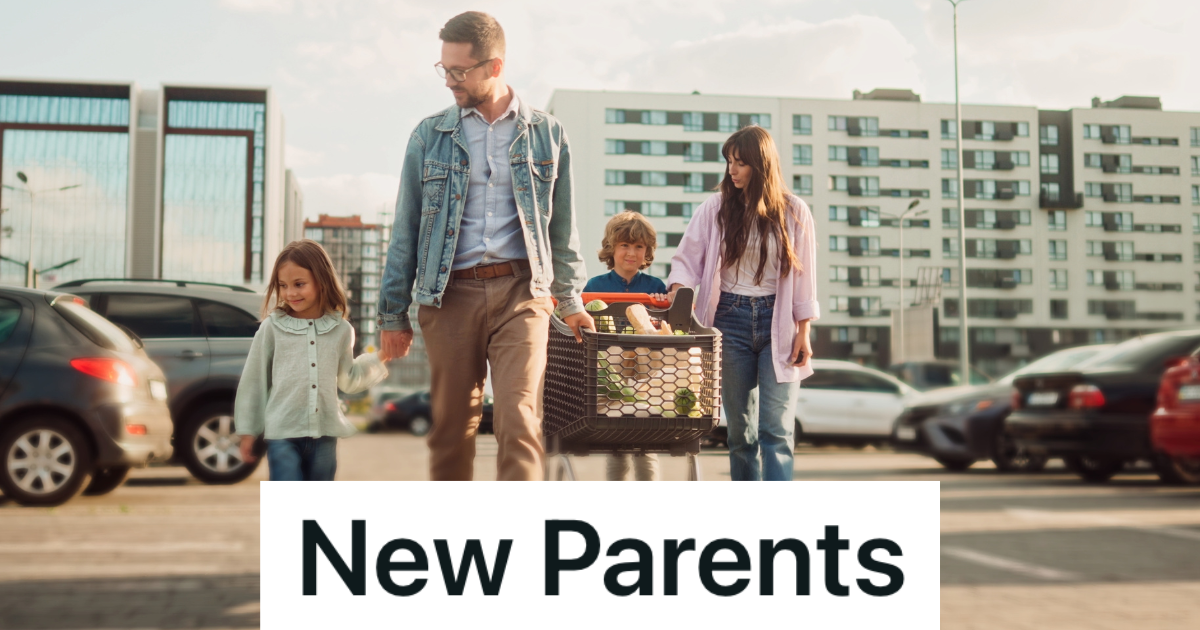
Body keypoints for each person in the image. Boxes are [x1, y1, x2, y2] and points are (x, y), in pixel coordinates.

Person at [376, 11, 592, 481]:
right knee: (453, 428)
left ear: (494, 67)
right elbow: (406, 230)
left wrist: (571, 299)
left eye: (459, 71)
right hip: (450, 295)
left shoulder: (547, 134)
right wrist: (392, 314)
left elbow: (564, 229)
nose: (449, 81)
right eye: (444, 69)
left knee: (520, 419)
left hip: (523, 294)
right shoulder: (429, 135)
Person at [666, 125, 819, 481]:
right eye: (729, 162)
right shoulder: (716, 208)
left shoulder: (794, 212)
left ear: (761, 164)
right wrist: (679, 291)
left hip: (777, 323)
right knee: (740, 434)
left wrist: (804, 331)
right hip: (728, 321)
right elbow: (687, 260)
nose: (731, 170)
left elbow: (805, 276)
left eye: (740, 163)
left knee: (776, 430)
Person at [235, 240, 389, 481]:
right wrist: (247, 431)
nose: (290, 293)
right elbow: (254, 381)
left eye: (299, 284)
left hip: (324, 436)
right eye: (283, 286)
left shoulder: (341, 330)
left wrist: (382, 357)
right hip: (282, 435)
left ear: (322, 280)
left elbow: (348, 380)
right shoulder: (271, 329)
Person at [584, 211, 665, 481]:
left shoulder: (655, 287)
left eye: (639, 247)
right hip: (611, 373)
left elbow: (662, 329)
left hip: (646, 373)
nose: (631, 253)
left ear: (647, 252)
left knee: (646, 443)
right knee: (616, 442)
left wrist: (657, 302)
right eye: (624, 245)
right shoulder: (595, 286)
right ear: (612, 248)